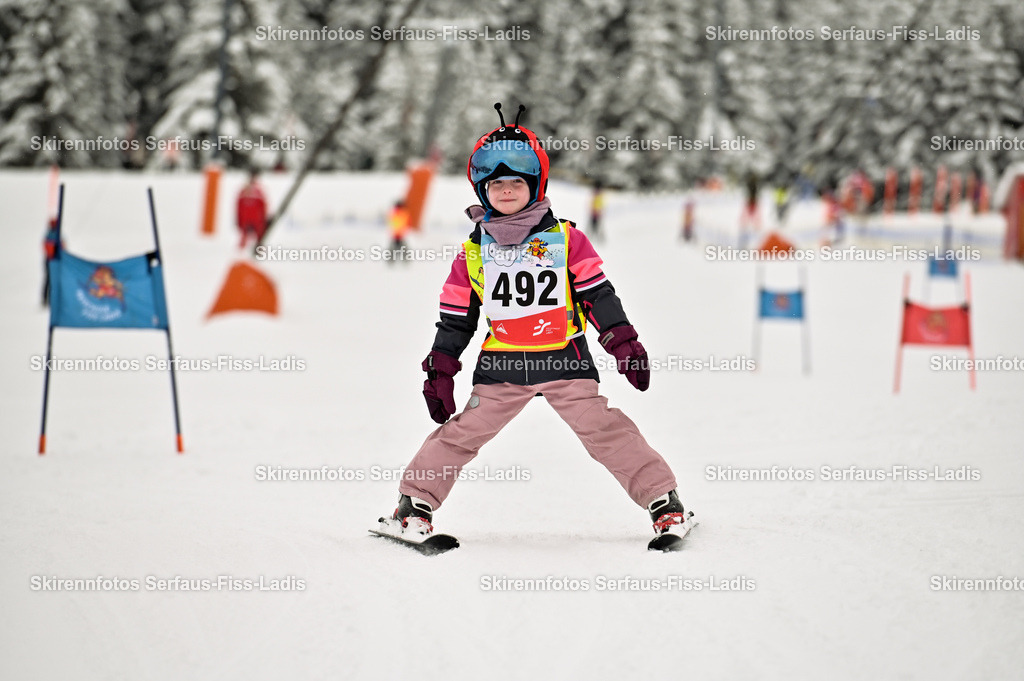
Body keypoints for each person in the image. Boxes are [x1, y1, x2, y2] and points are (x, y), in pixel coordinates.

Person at [376, 103, 690, 544]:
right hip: (502, 368)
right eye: (496, 183)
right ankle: (415, 506)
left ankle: (664, 502)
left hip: (565, 362)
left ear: (535, 185)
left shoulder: (565, 238)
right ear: (483, 190)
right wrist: (441, 367)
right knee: (462, 434)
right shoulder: (473, 252)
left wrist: (623, 342)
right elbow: (455, 318)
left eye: (516, 183)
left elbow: (597, 294)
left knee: (605, 430)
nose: (506, 191)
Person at [236, 169, 268, 250]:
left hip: (249, 219)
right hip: (253, 219)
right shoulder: (257, 191)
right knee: (251, 237)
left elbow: (238, 207)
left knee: (248, 237)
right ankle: (244, 252)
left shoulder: (245, 190)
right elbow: (263, 206)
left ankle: (243, 253)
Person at [387, 200, 411, 265]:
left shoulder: (395, 213)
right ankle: (405, 261)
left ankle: (391, 261)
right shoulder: (403, 214)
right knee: (401, 249)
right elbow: (406, 223)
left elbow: (392, 223)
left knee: (395, 249)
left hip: (396, 235)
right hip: (399, 235)